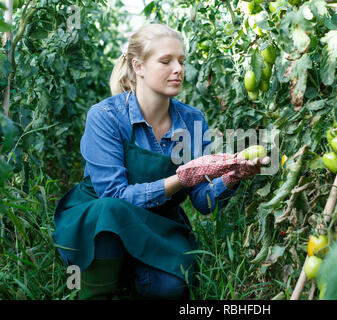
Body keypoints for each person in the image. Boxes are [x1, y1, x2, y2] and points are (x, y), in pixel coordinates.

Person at [53, 24, 269, 300]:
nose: (178, 69)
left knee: (172, 289)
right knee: (108, 221)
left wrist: (232, 176)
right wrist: (181, 178)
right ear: (138, 66)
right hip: (99, 218)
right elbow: (115, 196)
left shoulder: (191, 121)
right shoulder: (106, 116)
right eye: (166, 61)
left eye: (181, 61)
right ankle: (97, 287)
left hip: (159, 221)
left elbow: (203, 202)